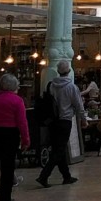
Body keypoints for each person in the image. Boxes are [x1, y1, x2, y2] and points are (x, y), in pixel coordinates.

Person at [36, 60, 86, 189]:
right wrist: (83, 119)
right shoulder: (72, 87)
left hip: (52, 120)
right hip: (65, 120)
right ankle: (44, 175)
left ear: (58, 71)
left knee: (59, 148)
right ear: (69, 71)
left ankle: (66, 176)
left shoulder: (51, 85)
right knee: (59, 150)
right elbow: (78, 105)